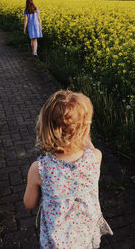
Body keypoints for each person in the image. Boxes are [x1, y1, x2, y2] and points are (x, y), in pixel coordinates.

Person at [23, 89, 113, 248]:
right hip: (85, 238)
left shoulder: (39, 169)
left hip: (57, 243)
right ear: (86, 131)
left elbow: (29, 204)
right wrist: (84, 131)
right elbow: (89, 148)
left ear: (44, 127)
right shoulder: (95, 158)